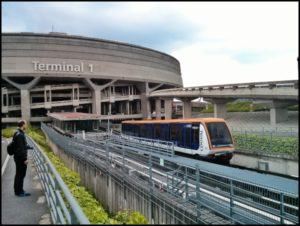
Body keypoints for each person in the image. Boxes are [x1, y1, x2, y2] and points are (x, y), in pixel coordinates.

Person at [13, 119, 33, 197]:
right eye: (26, 124)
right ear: (23, 125)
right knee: (21, 175)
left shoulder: (17, 133)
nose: (26, 125)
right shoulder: (20, 135)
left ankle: (17, 190)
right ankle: (20, 192)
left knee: (18, 174)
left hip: (17, 157)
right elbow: (21, 148)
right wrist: (25, 159)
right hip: (20, 159)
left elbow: (20, 146)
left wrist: (29, 147)